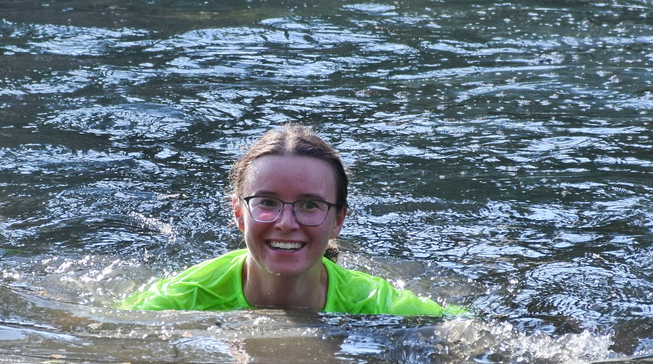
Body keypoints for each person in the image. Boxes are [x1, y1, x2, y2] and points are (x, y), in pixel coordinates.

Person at [119, 124, 462, 315]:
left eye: (310, 205)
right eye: (267, 202)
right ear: (239, 213)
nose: (286, 222)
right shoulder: (182, 298)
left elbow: (468, 328)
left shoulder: (373, 302)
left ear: (338, 220)